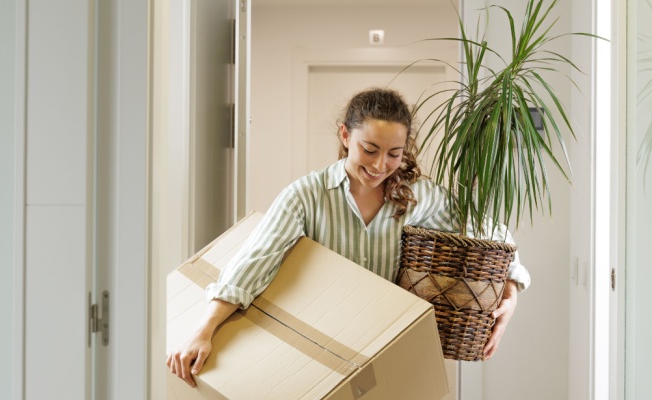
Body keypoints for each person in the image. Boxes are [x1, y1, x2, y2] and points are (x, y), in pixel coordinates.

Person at [167, 87, 531, 388]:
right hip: (325, 357)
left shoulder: (417, 195)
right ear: (345, 135)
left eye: (394, 154)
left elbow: (488, 228)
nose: (378, 165)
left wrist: (512, 291)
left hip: (390, 353)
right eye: (368, 149)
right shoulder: (307, 195)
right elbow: (254, 261)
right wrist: (205, 328)